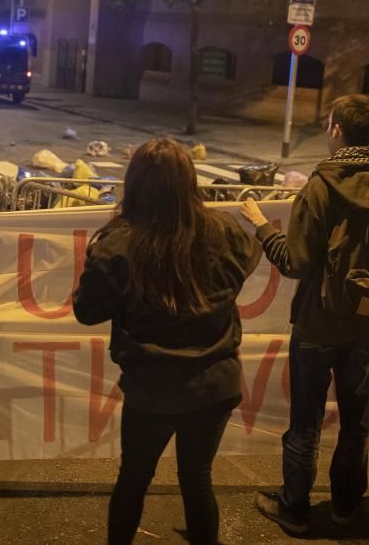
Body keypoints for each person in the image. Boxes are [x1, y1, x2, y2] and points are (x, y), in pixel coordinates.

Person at [240, 95, 369, 535]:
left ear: (336, 129)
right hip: (366, 324)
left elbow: (296, 262)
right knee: (356, 423)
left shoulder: (320, 186)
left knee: (305, 421)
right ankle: (345, 506)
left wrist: (261, 223)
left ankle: (295, 509)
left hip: (318, 325)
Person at [73, 138, 261, 545]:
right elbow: (247, 262)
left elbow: (86, 310)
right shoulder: (225, 230)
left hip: (152, 388)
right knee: (197, 479)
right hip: (214, 383)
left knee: (134, 479)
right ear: (189, 182)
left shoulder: (120, 244)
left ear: (134, 184)